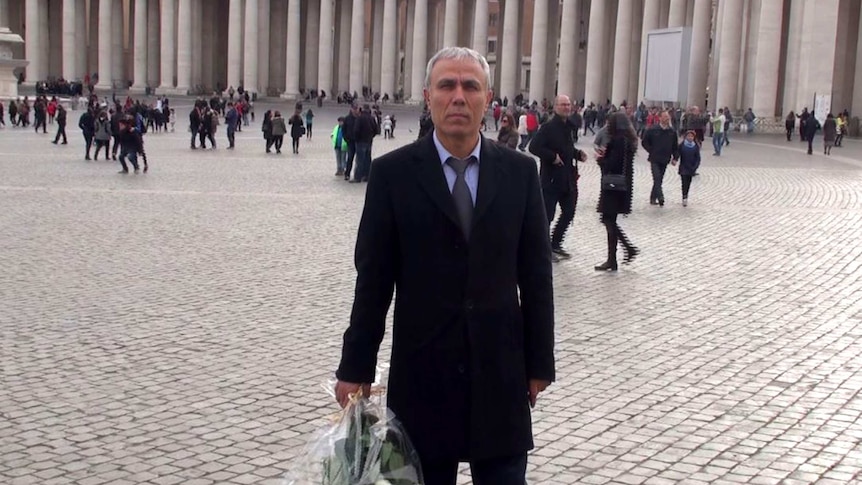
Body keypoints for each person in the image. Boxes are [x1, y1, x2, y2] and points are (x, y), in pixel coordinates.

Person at [335, 47, 554, 485]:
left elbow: (536, 276)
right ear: (427, 96)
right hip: (422, 374)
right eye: (447, 86)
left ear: (487, 98)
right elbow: (374, 281)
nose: (458, 96)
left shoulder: (520, 173)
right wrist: (355, 368)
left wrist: (539, 363)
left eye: (470, 86)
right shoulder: (391, 175)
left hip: (500, 372)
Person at [529, 95, 587, 262]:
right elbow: (534, 147)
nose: (566, 107)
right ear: (555, 107)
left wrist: (577, 154)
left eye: (568, 104)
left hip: (568, 178)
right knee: (547, 216)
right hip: (551, 179)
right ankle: (543, 249)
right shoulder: (548, 127)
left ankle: (555, 243)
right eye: (563, 105)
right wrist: (552, 157)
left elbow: (567, 148)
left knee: (569, 212)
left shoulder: (568, 126)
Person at [595, 112, 639, 271]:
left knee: (608, 219)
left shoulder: (618, 141)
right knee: (608, 219)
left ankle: (614, 258)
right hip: (622, 185)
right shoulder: (628, 141)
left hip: (613, 186)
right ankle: (626, 249)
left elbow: (612, 164)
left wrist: (601, 159)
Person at [641, 110, 679, 207]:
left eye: (668, 117)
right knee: (657, 177)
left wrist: (675, 158)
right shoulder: (653, 129)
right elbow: (644, 142)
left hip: (665, 158)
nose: (667, 118)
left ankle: (653, 197)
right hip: (654, 158)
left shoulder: (672, 132)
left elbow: (675, 146)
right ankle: (661, 197)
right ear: (660, 118)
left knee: (659, 179)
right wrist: (651, 150)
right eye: (665, 117)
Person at [678, 130, 701, 207]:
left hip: (691, 168)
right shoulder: (682, 145)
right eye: (688, 136)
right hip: (683, 167)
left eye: (691, 136)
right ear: (686, 137)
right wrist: (675, 159)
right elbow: (677, 153)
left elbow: (698, 158)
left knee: (688, 183)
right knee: (684, 183)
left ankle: (686, 195)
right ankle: (684, 197)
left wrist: (695, 167)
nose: (690, 138)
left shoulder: (695, 146)